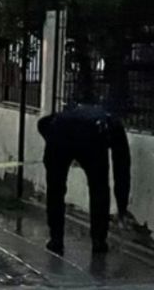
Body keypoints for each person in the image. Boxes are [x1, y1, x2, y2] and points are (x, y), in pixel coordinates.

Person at [38, 103, 132, 256]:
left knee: (55, 190)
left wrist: (53, 144)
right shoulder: (113, 126)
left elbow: (42, 123)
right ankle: (99, 241)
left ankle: (55, 240)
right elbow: (121, 170)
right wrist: (122, 208)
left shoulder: (64, 116)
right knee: (99, 190)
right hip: (90, 140)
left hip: (59, 135)